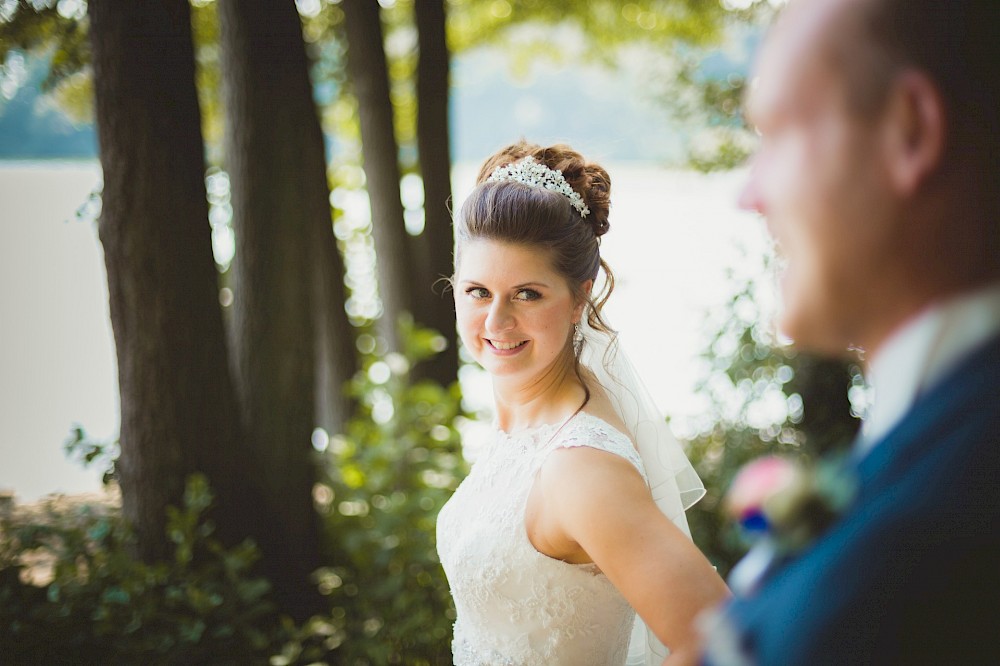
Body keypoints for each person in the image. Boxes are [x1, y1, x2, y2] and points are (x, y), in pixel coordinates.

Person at [695, 0, 1000, 664]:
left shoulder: (929, 551)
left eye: (775, 135)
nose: (748, 194)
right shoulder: (939, 434)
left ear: (910, 132)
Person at [436, 141, 730, 666]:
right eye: (478, 291)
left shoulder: (581, 467)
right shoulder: (530, 417)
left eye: (527, 294)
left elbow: (721, 638)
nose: (496, 323)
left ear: (578, 299)